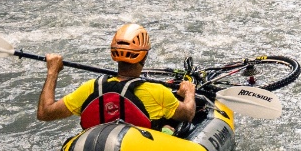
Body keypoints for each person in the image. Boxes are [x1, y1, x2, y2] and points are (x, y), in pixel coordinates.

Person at [36, 23, 196, 132]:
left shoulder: (90, 88)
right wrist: (188, 92)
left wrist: (52, 71)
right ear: (144, 56)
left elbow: (45, 112)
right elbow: (188, 114)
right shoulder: (157, 92)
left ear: (114, 54)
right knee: (171, 124)